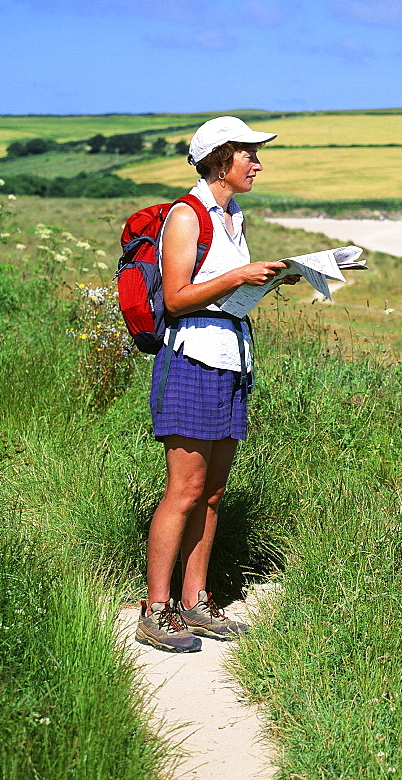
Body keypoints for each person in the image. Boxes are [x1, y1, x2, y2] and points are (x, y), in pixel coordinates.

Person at [136, 116, 299, 653]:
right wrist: (238, 276)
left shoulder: (232, 216)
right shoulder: (188, 215)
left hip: (231, 359)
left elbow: (225, 294)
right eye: (249, 154)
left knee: (212, 493)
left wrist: (271, 278)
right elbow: (177, 298)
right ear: (220, 159)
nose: (258, 162)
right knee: (182, 492)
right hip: (191, 361)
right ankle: (155, 608)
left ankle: (195, 600)